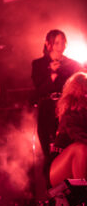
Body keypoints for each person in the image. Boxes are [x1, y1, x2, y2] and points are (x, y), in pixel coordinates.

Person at [32, 29, 83, 170]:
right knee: (47, 146)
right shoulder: (38, 64)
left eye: (63, 42)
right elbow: (38, 89)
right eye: (56, 43)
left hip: (65, 108)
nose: (60, 46)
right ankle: (50, 176)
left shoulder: (72, 64)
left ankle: (68, 174)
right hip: (46, 107)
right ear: (48, 44)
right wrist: (51, 75)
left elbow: (78, 87)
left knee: (65, 143)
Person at [49, 72, 87, 185]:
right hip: (59, 168)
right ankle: (82, 194)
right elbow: (79, 137)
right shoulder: (70, 114)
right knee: (80, 149)